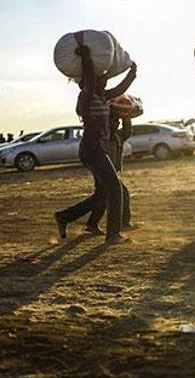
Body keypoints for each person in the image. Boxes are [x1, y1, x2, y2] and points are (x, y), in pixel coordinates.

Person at [54, 37, 137, 243]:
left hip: (95, 150)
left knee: (103, 193)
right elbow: (91, 80)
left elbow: (118, 90)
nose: (104, 79)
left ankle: (65, 216)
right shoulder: (87, 95)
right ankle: (113, 234)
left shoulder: (101, 96)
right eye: (100, 78)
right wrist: (86, 59)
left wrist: (132, 73)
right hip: (92, 150)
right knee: (115, 188)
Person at [85, 113, 136, 234]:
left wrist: (126, 117)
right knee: (119, 193)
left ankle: (91, 224)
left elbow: (128, 131)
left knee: (102, 197)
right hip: (104, 171)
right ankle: (123, 223)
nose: (117, 123)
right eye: (114, 121)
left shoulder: (116, 136)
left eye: (118, 121)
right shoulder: (104, 137)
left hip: (109, 171)